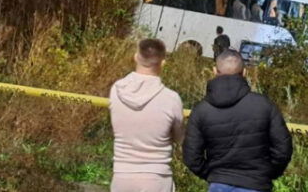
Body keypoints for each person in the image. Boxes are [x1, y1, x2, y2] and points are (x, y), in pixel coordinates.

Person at [184, 50, 293, 192]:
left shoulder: (201, 110)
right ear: (245, 73)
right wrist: (265, 173)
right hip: (256, 184)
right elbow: (283, 148)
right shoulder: (263, 105)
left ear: (214, 71)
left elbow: (192, 156)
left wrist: (213, 175)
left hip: (218, 183)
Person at [110, 39, 185, 192]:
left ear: (136, 56)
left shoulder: (116, 90)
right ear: (163, 63)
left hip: (122, 175)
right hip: (156, 176)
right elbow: (180, 138)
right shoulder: (171, 99)